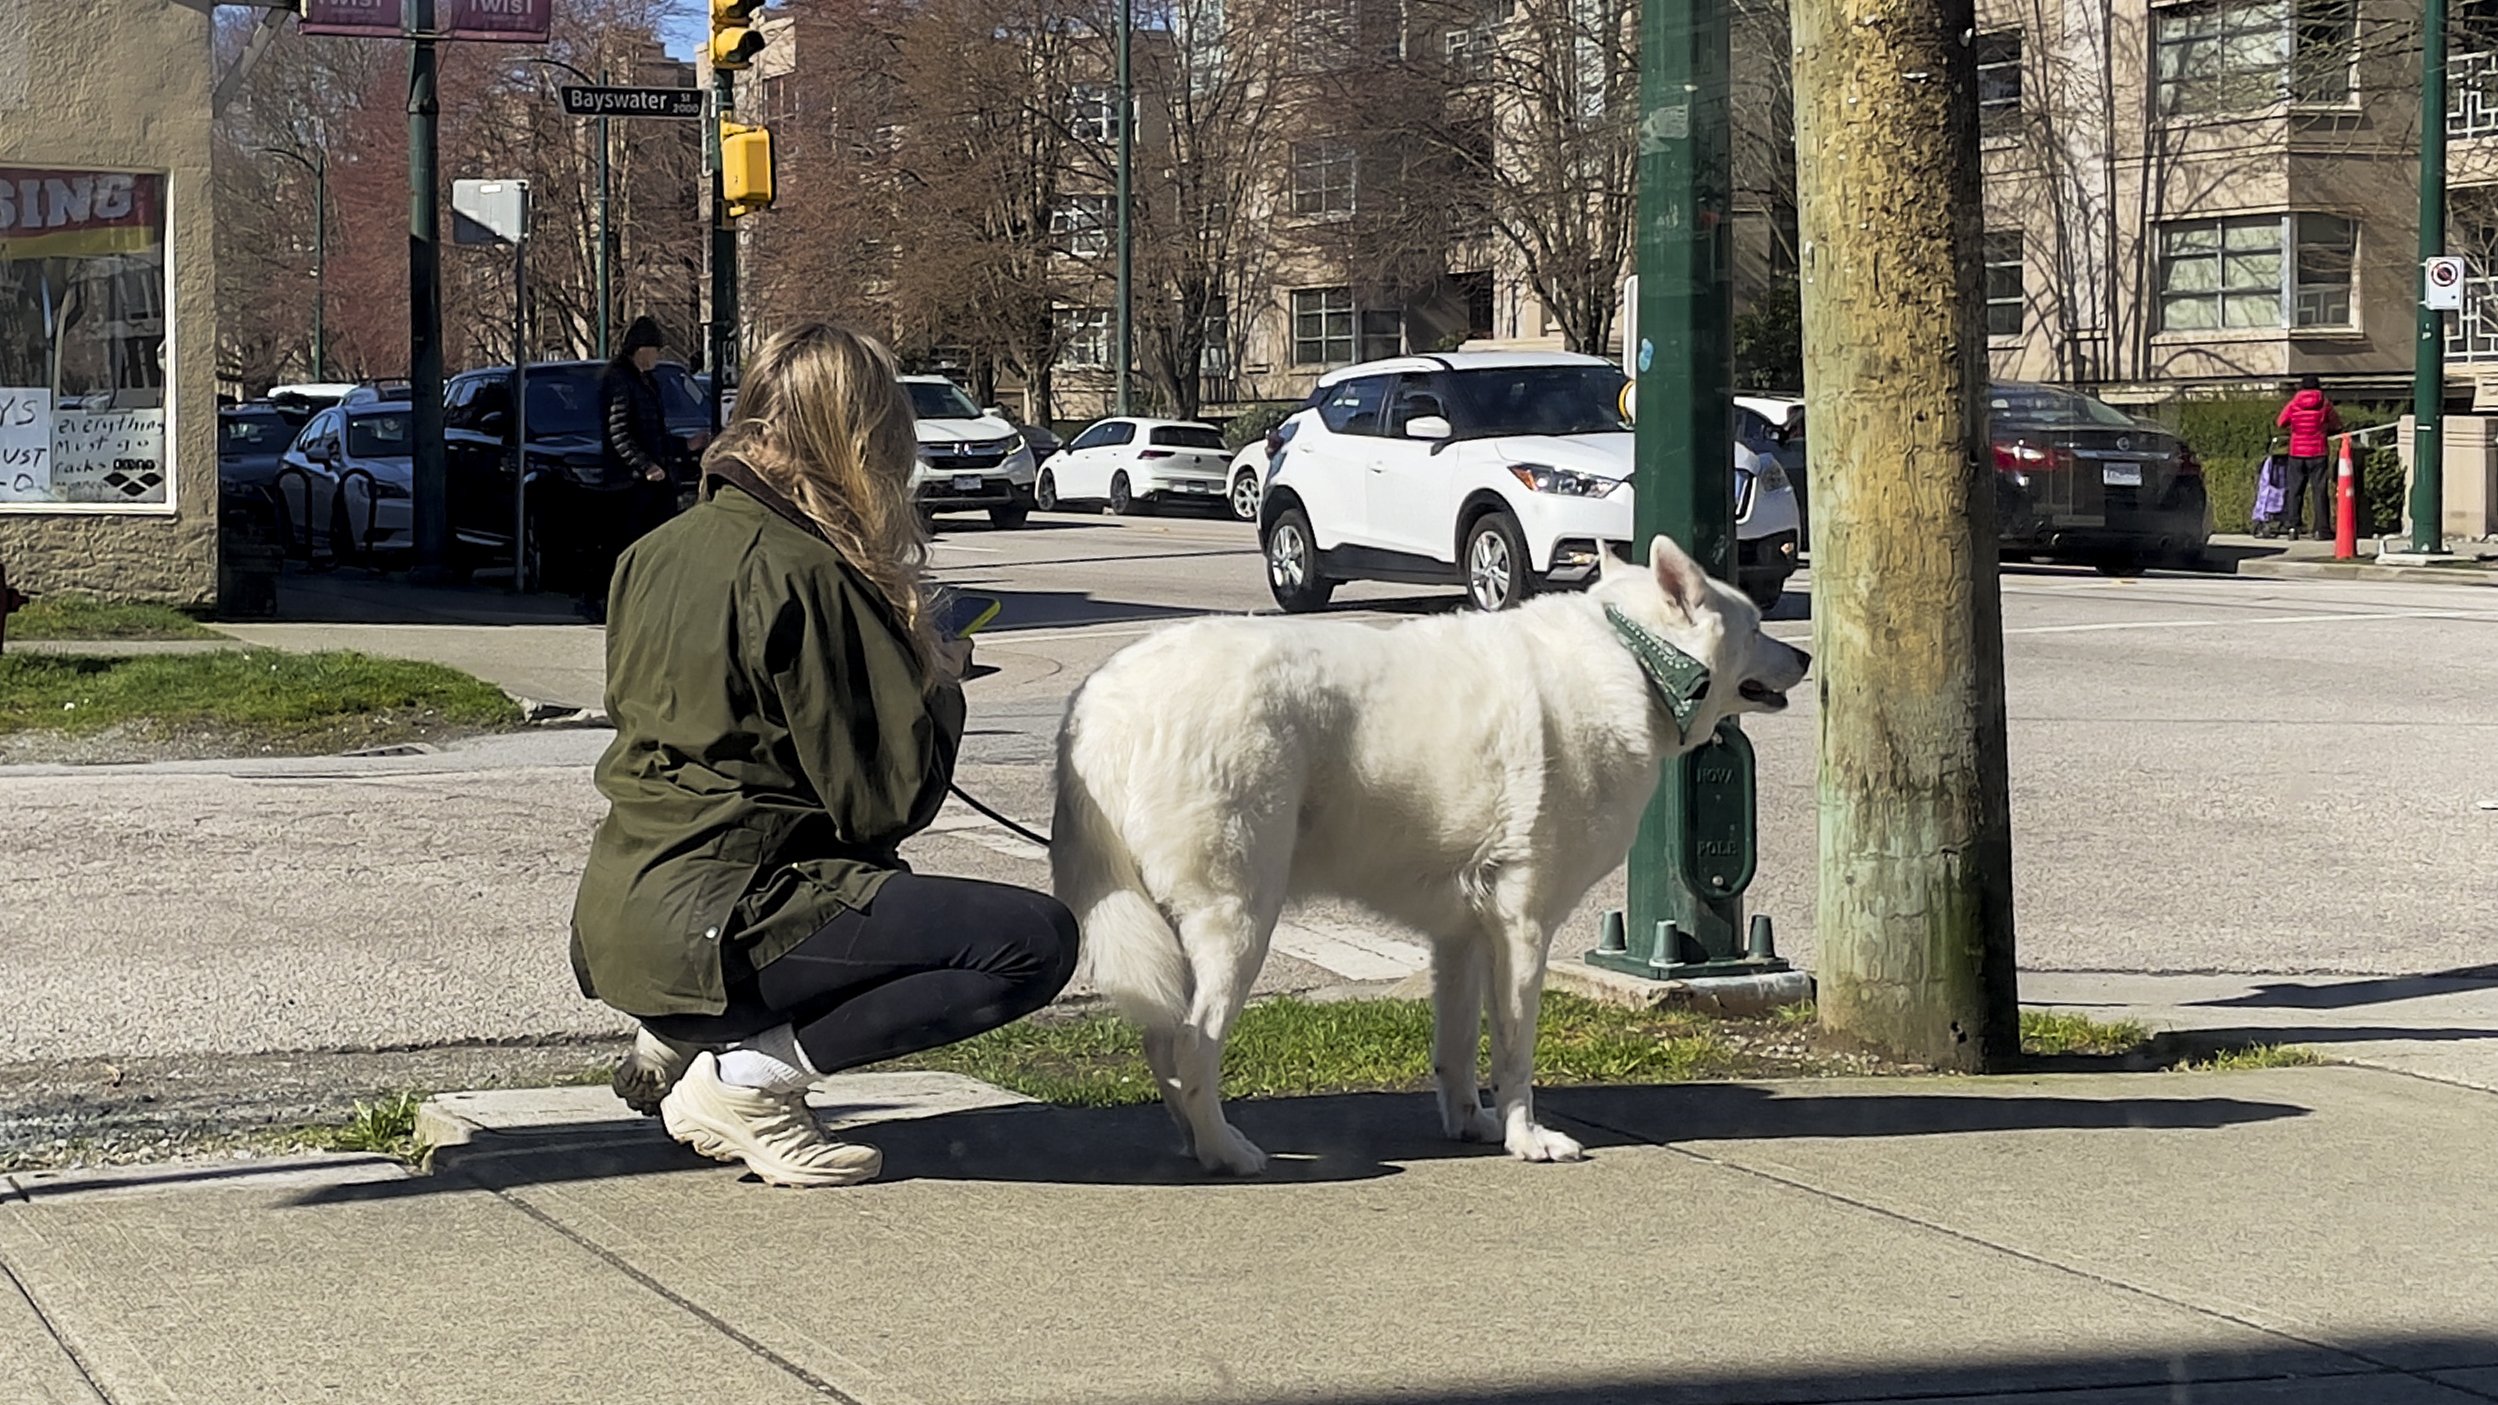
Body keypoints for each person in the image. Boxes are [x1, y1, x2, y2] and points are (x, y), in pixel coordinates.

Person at [570, 322, 1079, 1188]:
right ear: (860, 440)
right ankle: (745, 1082)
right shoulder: (809, 573)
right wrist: (938, 677)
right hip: (728, 917)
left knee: (866, 895)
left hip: (621, 916)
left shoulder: (650, 554)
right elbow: (888, 801)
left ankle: (687, 1031)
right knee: (1031, 942)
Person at [582, 316, 696, 620]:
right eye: (655, 350)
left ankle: (647, 601)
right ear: (641, 349)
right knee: (624, 544)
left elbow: (653, 433)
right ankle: (604, 599)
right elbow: (620, 433)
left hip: (652, 481)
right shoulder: (621, 381)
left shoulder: (648, 383)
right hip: (630, 483)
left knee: (655, 542)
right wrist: (645, 466)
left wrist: (684, 446)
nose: (658, 356)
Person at [2274, 374, 2343, 541]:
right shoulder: (2324, 405)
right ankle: (2321, 529)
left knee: (2295, 491)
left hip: (2296, 452)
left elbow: (2280, 422)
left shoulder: (2293, 404)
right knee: (2319, 491)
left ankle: (2293, 527)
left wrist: (2295, 429)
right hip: (2318, 452)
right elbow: (2337, 424)